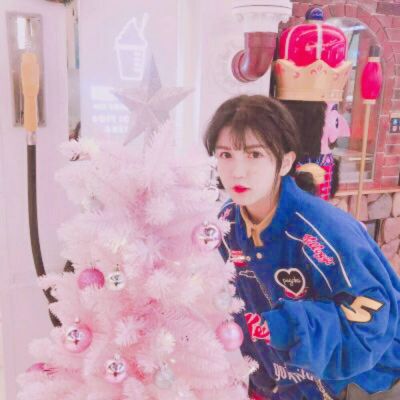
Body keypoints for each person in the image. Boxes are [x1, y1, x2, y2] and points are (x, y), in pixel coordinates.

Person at [203, 95, 400, 400]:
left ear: (284, 162)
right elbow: (240, 304)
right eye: (226, 154)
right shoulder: (227, 224)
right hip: (285, 384)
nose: (237, 171)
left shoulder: (323, 229)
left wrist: (290, 326)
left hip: (361, 383)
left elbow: (374, 312)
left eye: (254, 154)